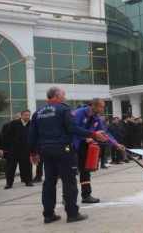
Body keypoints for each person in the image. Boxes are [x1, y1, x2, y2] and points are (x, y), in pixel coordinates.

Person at [28, 86, 121, 224]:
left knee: (49, 181)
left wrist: (33, 153)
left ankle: (48, 214)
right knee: (69, 181)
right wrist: (93, 134)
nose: (65, 96)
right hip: (63, 149)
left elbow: (32, 135)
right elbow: (73, 128)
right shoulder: (64, 109)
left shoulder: (38, 113)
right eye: (63, 94)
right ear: (58, 95)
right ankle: (72, 213)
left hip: (46, 150)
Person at [74, 98, 122, 203]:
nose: (102, 109)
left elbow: (104, 133)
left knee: (85, 171)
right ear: (93, 106)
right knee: (71, 172)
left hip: (85, 147)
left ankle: (86, 196)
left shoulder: (97, 118)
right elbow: (74, 129)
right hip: (74, 146)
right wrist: (86, 137)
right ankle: (67, 197)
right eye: (100, 107)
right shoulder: (80, 113)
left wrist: (116, 144)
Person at [4, 110, 33, 189]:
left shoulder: (31, 124)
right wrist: (11, 144)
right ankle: (9, 183)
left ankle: (28, 181)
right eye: (26, 115)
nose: (27, 117)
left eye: (28, 115)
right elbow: (8, 135)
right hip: (15, 149)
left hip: (26, 149)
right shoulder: (14, 124)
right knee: (11, 167)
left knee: (27, 166)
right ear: (22, 115)